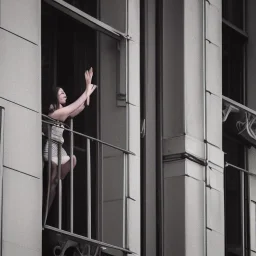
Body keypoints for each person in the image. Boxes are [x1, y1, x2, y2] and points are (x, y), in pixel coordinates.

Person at [43, 68, 96, 211]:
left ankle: (45, 212)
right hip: (52, 150)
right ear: (55, 97)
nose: (65, 94)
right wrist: (87, 90)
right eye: (61, 93)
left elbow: (83, 106)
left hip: (60, 151)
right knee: (54, 181)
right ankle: (44, 213)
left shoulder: (63, 114)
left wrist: (88, 84)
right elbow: (75, 105)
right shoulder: (55, 113)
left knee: (58, 178)